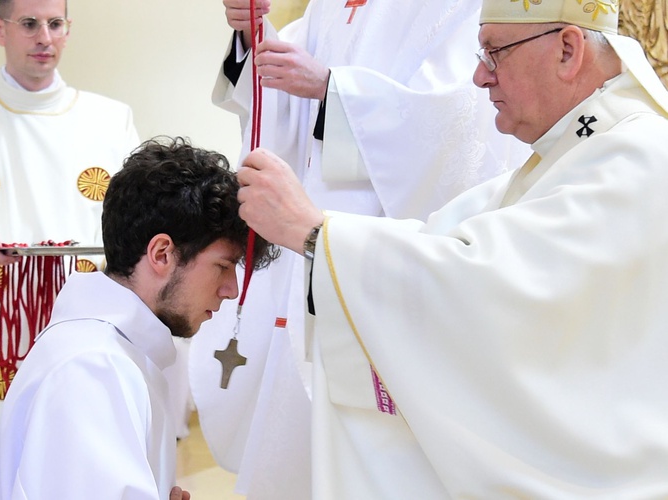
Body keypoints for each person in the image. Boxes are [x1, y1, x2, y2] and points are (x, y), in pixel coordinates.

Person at [235, 0, 668, 496]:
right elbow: (454, 239)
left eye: (493, 53)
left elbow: (490, 285)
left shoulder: (635, 156)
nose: (480, 78)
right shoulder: (577, 148)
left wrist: (313, 232)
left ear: (568, 50)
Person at [190, 1, 531, 497]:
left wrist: (333, 87)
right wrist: (252, 35)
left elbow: (458, 121)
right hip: (304, 252)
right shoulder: (326, 6)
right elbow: (285, 97)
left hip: (379, 254)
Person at [0, 0, 140, 498]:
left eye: (56, 23)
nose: (45, 37)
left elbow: (138, 234)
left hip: (82, 337)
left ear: (68, 29)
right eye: (29, 24)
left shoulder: (111, 120)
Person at [0, 136, 275, 500]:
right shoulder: (95, 366)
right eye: (222, 266)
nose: (231, 289)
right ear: (162, 253)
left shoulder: (111, 352)